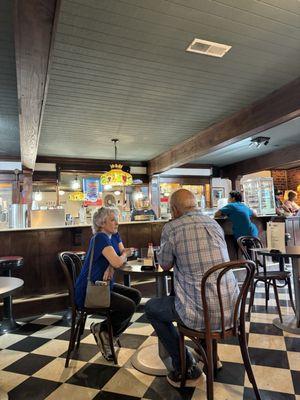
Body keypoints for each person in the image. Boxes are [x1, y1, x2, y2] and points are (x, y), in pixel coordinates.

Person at [145, 189, 239, 387]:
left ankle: (185, 368)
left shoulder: (172, 228)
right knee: (201, 291)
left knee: (152, 308)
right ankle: (210, 356)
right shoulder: (214, 224)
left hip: (200, 312)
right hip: (230, 310)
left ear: (174, 209)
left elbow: (165, 265)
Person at [75, 207, 141, 360]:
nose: (117, 222)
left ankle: (108, 334)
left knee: (135, 295)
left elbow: (117, 258)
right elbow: (120, 258)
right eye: (112, 220)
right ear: (101, 223)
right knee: (128, 306)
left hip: (102, 286)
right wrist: (120, 258)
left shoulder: (112, 236)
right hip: (90, 290)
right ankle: (103, 330)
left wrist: (112, 264)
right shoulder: (100, 238)